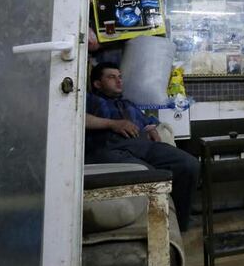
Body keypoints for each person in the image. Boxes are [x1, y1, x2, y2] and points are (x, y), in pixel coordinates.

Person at [85, 62, 200, 232]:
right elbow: (78, 118)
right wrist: (112, 124)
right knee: (149, 175)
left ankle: (179, 224)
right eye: (111, 77)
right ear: (97, 83)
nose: (118, 81)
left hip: (142, 144)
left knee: (188, 164)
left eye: (120, 77)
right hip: (109, 147)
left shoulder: (128, 104)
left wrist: (152, 128)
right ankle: (155, 227)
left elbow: (148, 122)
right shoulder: (89, 100)